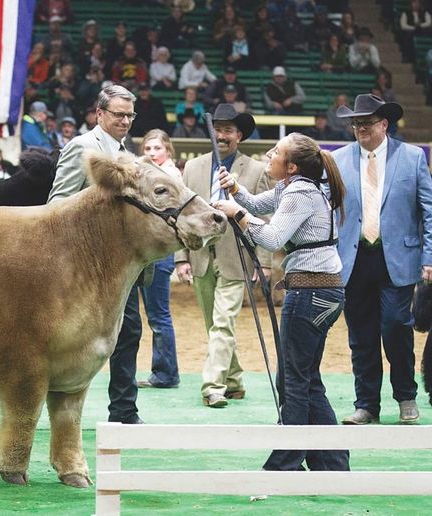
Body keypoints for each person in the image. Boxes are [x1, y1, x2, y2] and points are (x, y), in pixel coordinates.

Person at [213, 132, 350, 472]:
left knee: (293, 378)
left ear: (290, 166)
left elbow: (273, 237)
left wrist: (237, 214)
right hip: (323, 290)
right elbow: (259, 205)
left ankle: (287, 461)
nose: (269, 155)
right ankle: (331, 463)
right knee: (304, 376)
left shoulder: (300, 192)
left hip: (310, 293)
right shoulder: (301, 185)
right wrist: (236, 191)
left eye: (276, 152)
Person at [332, 94, 432, 426]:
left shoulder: (412, 157)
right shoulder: (339, 160)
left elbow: (428, 212)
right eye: (355, 123)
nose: (359, 128)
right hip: (354, 258)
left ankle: (405, 396)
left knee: (395, 326)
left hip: (399, 258)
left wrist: (429, 257)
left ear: (384, 124)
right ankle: (366, 405)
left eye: (366, 123)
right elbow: (331, 211)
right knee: (360, 335)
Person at [48, 84, 145, 424]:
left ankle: (124, 411)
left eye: (130, 115)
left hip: (119, 263)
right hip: (85, 264)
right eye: (119, 114)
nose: (126, 121)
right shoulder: (83, 147)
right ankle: (73, 410)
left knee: (129, 330)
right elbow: (57, 203)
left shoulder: (123, 149)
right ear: (99, 114)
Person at [176, 104, 272, 408]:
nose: (221, 135)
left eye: (228, 130)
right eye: (216, 129)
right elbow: (181, 216)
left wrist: (265, 262)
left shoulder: (256, 170)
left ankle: (213, 386)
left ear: (239, 136)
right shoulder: (192, 169)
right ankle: (234, 380)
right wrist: (181, 257)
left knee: (222, 323)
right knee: (213, 324)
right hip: (201, 255)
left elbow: (265, 218)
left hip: (237, 257)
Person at [136, 129, 182, 389]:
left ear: (168, 150)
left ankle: (166, 374)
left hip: (160, 253)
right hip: (151, 252)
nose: (152, 153)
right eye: (148, 149)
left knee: (158, 315)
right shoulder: (155, 174)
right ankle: (163, 372)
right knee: (156, 314)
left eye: (157, 149)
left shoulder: (170, 176)